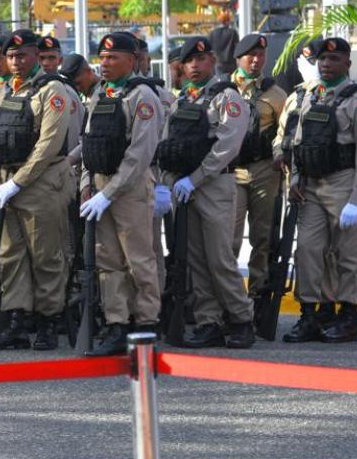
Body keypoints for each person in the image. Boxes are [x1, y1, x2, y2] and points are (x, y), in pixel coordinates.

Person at [0, 29, 80, 351]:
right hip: (6, 185)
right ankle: (17, 319)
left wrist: (17, 182)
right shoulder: (3, 90)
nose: (16, 62)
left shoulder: (53, 90)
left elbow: (48, 145)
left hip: (41, 184)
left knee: (46, 256)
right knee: (11, 257)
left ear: (37, 56)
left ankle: (49, 320)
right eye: (10, 57)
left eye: (22, 56)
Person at [275, 37, 357, 344]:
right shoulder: (310, 97)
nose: (326, 64)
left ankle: (347, 316)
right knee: (307, 250)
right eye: (322, 60)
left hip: (344, 183)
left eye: (334, 60)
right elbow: (298, 143)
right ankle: (309, 314)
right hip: (312, 187)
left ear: (347, 64)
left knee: (347, 253)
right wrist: (294, 182)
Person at [156, 37, 255, 349]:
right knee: (195, 259)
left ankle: (241, 319)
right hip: (185, 187)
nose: (194, 66)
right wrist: (165, 181)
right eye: (188, 62)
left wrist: (195, 179)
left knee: (220, 258)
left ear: (212, 61)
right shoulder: (183, 100)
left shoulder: (226, 97)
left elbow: (227, 146)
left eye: (200, 60)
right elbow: (168, 143)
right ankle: (208, 320)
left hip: (213, 185)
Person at [78, 33, 165, 356]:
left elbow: (139, 154)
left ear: (132, 60)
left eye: (113, 58)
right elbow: (89, 142)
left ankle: (146, 325)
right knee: (108, 261)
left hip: (129, 190)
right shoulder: (100, 93)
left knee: (139, 259)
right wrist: (87, 186)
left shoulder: (143, 97)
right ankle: (117, 323)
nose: (105, 63)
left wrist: (109, 193)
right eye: (102, 57)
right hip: (101, 187)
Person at [231, 34, 288, 304]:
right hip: (231, 171)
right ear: (238, 58)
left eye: (261, 56)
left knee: (262, 237)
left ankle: (258, 293)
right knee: (229, 237)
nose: (256, 61)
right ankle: (230, 295)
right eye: (250, 55)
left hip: (264, 171)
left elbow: (284, 134)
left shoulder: (276, 94)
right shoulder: (224, 90)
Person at [208, 8, 239, 75]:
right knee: (232, 83)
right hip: (231, 64)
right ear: (227, 21)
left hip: (218, 63)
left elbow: (209, 49)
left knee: (220, 83)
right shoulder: (233, 32)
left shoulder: (213, 33)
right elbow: (237, 47)